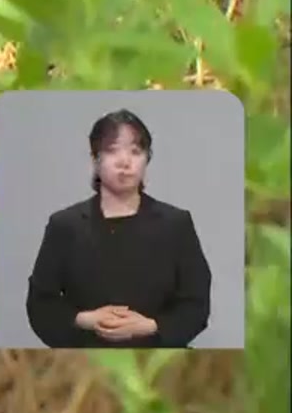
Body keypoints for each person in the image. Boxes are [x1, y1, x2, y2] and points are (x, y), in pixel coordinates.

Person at [23, 108, 212, 348]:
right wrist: (85, 320)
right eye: (112, 150)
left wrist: (150, 326)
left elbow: (196, 304)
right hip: (84, 361)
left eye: (136, 151)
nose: (125, 162)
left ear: (147, 159)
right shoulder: (65, 226)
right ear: (95, 159)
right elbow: (41, 304)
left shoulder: (175, 224)